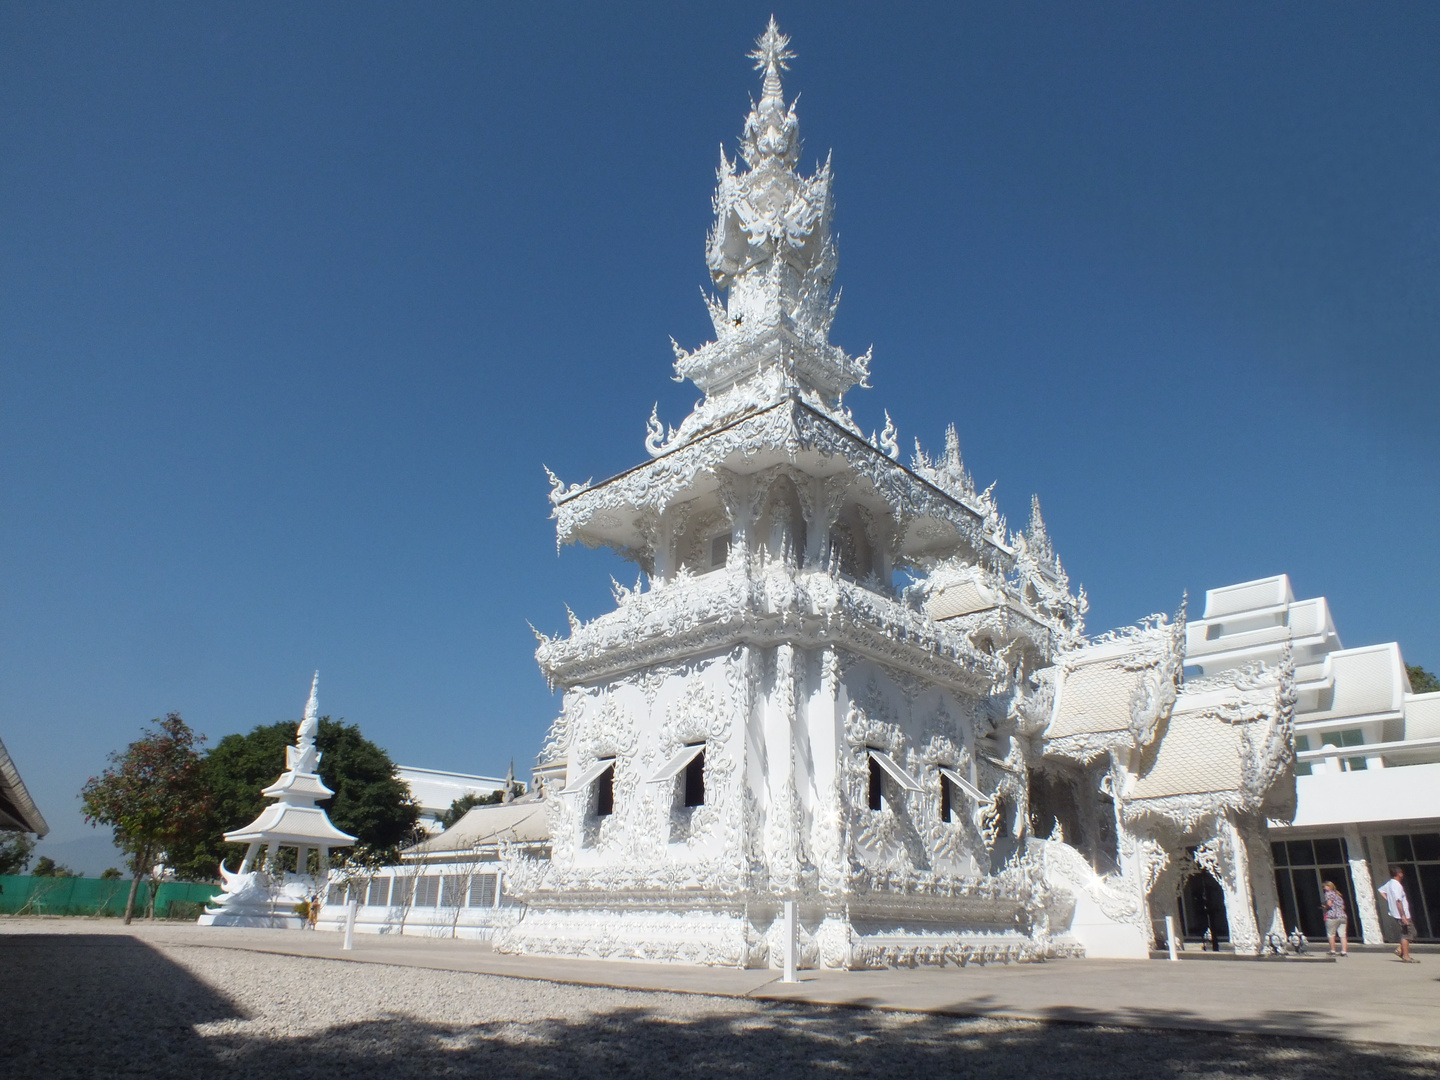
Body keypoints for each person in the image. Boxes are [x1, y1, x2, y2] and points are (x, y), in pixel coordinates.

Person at [1377, 866, 1418, 963]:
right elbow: (1398, 901)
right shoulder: (1397, 885)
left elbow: (1381, 890)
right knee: (1406, 934)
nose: (1402, 874)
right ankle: (1406, 956)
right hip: (1401, 914)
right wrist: (1403, 915)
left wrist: (1388, 900)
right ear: (1399, 874)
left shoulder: (1390, 883)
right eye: (1401, 873)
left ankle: (1400, 950)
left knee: (1412, 933)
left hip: (1395, 913)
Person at [1321, 880, 1348, 956]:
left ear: (1329, 886)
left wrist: (1325, 907)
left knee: (1331, 934)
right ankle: (1344, 951)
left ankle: (1333, 950)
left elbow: (1329, 904)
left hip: (1332, 916)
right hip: (1342, 916)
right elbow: (1343, 906)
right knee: (1342, 935)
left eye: (1324, 886)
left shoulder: (1328, 894)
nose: (1324, 888)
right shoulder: (1338, 895)